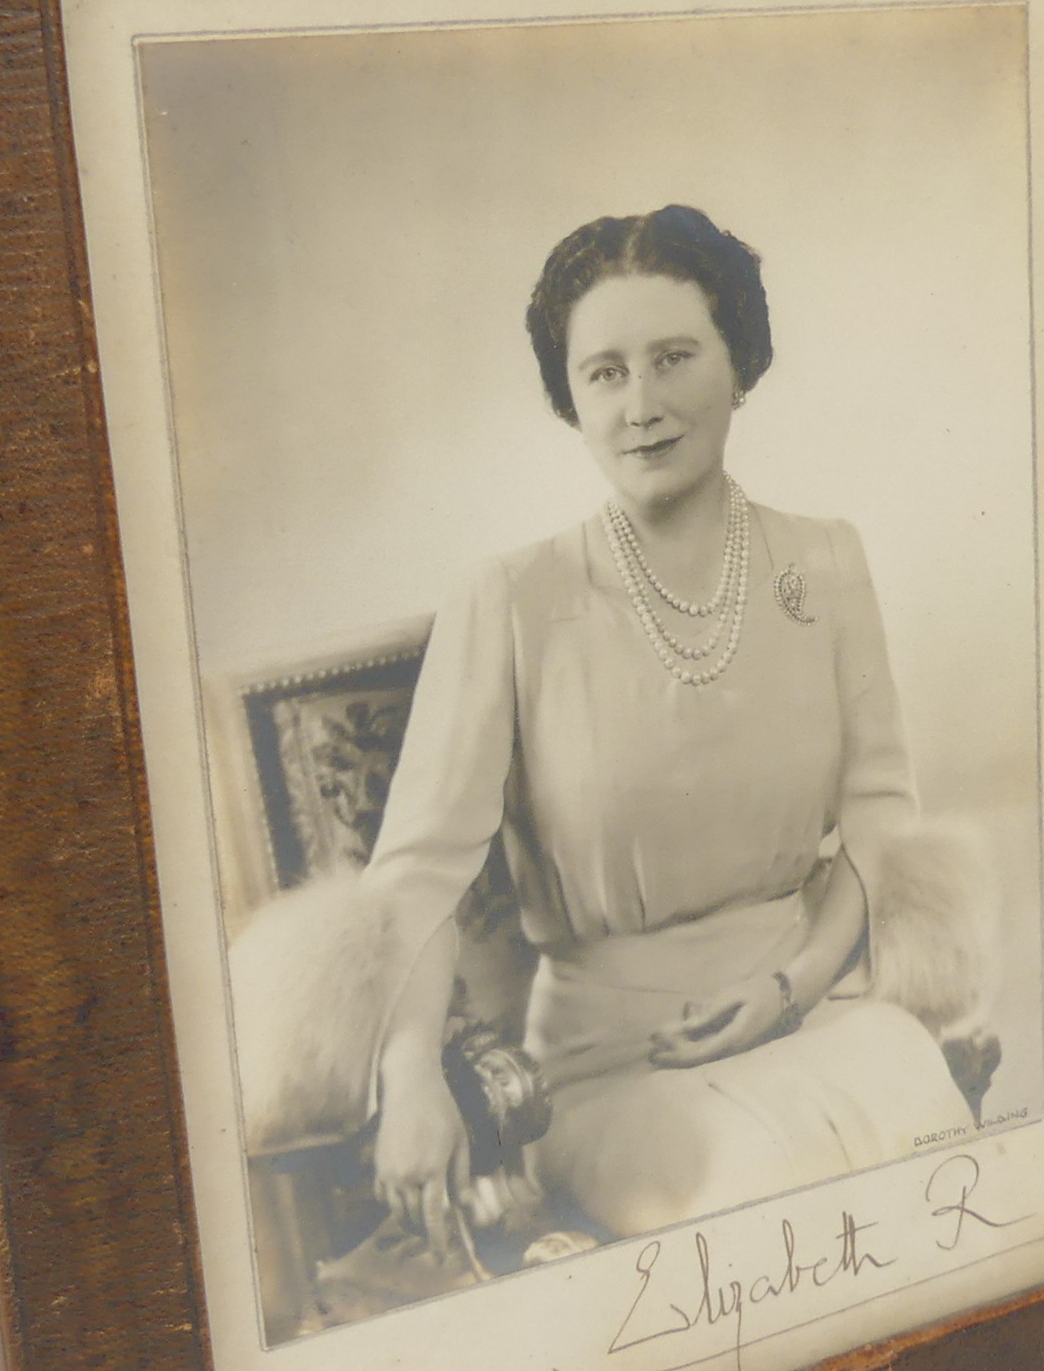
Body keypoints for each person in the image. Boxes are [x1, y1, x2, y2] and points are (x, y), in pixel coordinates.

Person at [230, 205, 998, 1263]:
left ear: (741, 365)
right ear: (571, 398)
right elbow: (421, 874)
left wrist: (794, 987)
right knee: (771, 1212)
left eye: (674, 357)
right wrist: (407, 1075)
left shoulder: (824, 564)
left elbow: (878, 816)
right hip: (608, 1072)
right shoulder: (509, 598)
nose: (641, 405)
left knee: (941, 1171)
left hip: (811, 1010)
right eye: (604, 373)